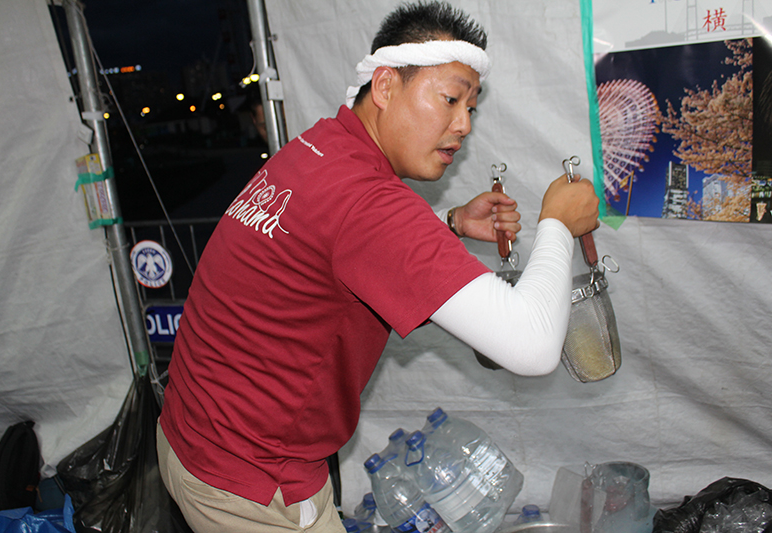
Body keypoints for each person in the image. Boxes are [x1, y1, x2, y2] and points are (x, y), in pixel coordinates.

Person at [156, 2, 600, 532]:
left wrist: (452, 222)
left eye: (472, 109)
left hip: (194, 432)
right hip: (250, 478)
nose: (463, 125)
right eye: (450, 99)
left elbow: (337, 250)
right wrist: (557, 223)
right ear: (385, 86)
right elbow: (532, 344)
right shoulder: (367, 200)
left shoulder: (320, 146)